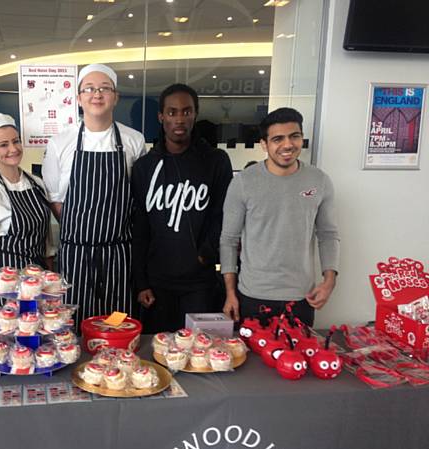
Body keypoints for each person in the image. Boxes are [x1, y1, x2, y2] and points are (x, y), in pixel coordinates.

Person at [42, 64, 146, 323]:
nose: (96, 94)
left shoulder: (134, 141)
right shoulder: (60, 142)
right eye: (89, 89)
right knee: (75, 321)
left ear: (116, 97)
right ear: (78, 98)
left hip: (119, 254)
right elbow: (56, 199)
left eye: (104, 88)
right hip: (76, 254)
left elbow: (138, 196)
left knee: (117, 321)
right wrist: (80, 232)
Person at [219, 107, 340, 326]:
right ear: (264, 144)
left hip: (303, 297)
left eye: (294, 136)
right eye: (277, 139)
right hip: (252, 295)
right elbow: (228, 240)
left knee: (299, 359)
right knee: (252, 360)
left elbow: (328, 234)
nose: (287, 145)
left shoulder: (319, 180)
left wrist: (329, 280)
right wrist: (230, 292)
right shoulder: (243, 182)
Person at [131, 84, 233, 332]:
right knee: (157, 355)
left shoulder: (215, 161)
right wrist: (141, 281)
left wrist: (205, 254)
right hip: (157, 283)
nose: (179, 119)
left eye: (186, 112)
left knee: (198, 353)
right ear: (161, 116)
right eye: (172, 112)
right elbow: (140, 226)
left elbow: (223, 215)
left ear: (195, 114)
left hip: (200, 282)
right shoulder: (144, 167)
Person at [0, 113, 55, 309]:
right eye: (3, 145)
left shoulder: (37, 184)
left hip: (38, 283)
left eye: (16, 141)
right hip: (6, 290)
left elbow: (47, 245)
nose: (13, 149)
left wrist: (51, 290)